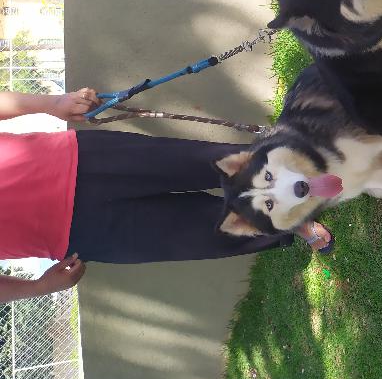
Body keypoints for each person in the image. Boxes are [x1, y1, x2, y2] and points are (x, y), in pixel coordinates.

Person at [0, 88, 334, 304]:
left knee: (207, 164)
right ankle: (287, 222)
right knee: (203, 235)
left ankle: (305, 165)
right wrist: (38, 288)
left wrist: (53, 104)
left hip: (72, 161)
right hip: (74, 234)